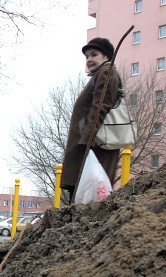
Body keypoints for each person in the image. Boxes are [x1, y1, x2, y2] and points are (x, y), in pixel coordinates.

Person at [61, 37, 122, 204]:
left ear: (106, 57)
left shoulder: (106, 72)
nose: (89, 60)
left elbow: (101, 107)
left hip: (94, 147)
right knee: (83, 197)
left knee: (88, 198)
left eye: (94, 54)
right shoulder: (99, 75)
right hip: (89, 145)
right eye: (87, 56)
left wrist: (87, 142)